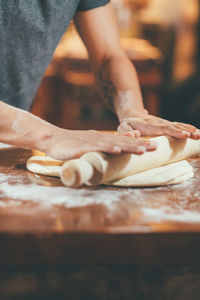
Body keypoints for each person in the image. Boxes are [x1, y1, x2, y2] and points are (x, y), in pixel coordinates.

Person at [0, 0, 199, 161]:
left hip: (13, 140)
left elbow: (108, 56)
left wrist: (134, 111)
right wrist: (50, 136)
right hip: (20, 132)